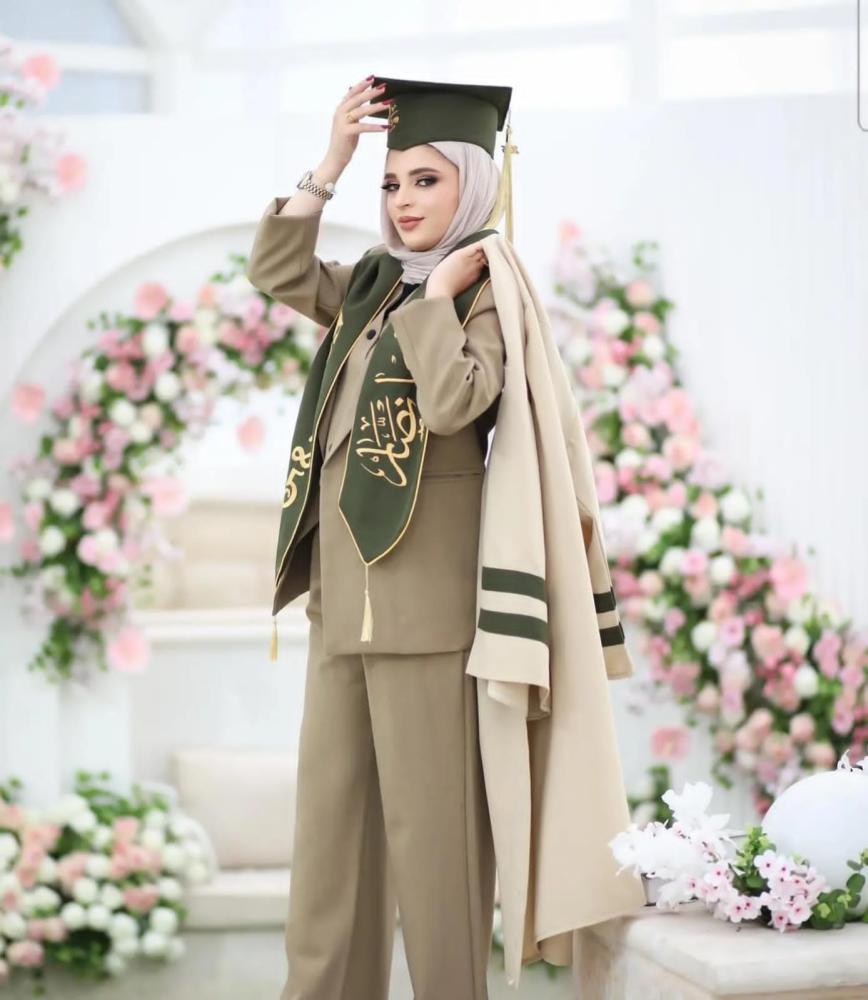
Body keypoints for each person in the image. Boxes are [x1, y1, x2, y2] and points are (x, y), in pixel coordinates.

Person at [246, 74, 515, 1000]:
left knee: (437, 855)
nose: (403, 201)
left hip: (427, 617)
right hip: (340, 603)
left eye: (426, 180)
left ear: (475, 183)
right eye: (392, 182)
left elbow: (453, 403)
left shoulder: (489, 292)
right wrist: (330, 163)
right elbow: (278, 273)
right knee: (330, 843)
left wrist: (439, 295)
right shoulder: (370, 284)